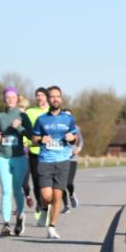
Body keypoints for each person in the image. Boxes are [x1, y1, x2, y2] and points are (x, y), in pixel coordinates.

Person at [30, 86, 78, 239]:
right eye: (52, 96)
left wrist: (72, 138)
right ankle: (44, 208)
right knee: (46, 195)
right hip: (45, 160)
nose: (55, 99)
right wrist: (40, 140)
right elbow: (34, 140)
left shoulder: (68, 119)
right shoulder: (41, 119)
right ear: (48, 99)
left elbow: (74, 137)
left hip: (63, 161)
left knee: (57, 195)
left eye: (58, 96)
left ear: (61, 99)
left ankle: (52, 227)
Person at [0, 87, 33, 236]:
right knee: (6, 190)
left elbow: (31, 135)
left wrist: (20, 127)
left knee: (17, 189)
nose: (10, 99)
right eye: (7, 97)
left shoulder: (23, 115)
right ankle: (6, 224)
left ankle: (21, 215)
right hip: (3, 157)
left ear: (17, 98)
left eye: (13, 97)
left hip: (19, 158)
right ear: (4, 98)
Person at [24, 87, 50, 225]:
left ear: (47, 97)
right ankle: (40, 205)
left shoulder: (52, 112)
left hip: (49, 153)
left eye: (41, 95)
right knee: (37, 182)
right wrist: (25, 142)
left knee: (47, 183)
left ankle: (48, 206)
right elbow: (25, 130)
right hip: (34, 152)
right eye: (37, 95)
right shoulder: (30, 112)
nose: (39, 98)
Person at [63, 111, 82, 210]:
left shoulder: (76, 128)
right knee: (60, 184)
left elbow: (80, 141)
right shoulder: (59, 127)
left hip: (72, 159)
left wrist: (78, 149)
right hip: (61, 158)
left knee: (68, 182)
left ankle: (71, 195)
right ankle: (66, 205)